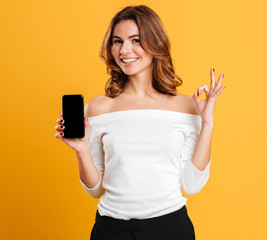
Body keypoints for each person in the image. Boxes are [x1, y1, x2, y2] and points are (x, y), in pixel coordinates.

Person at [55, 5, 225, 240]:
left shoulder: (188, 106)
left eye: (135, 40)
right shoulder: (97, 108)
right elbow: (95, 190)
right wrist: (82, 151)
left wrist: (207, 123)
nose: (124, 50)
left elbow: (192, 184)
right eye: (117, 41)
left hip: (170, 229)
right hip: (111, 230)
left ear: (155, 43)